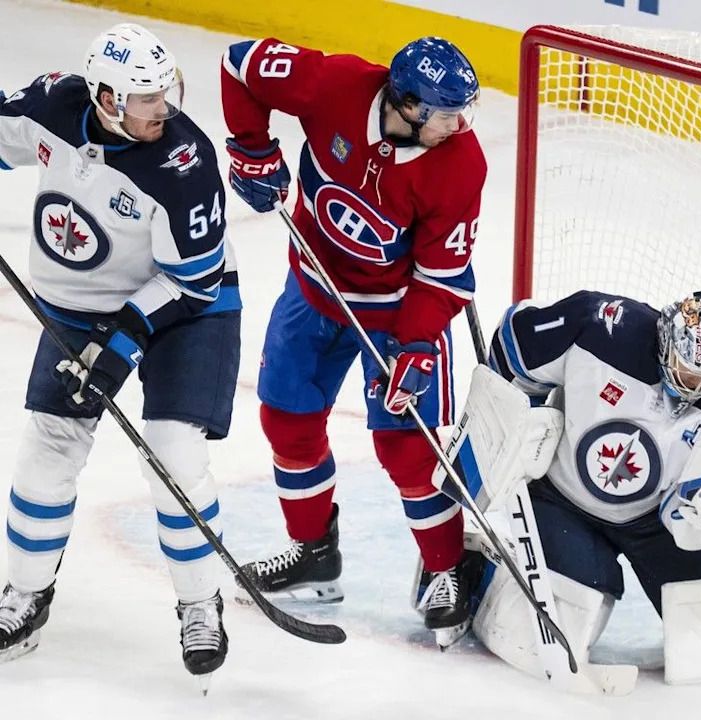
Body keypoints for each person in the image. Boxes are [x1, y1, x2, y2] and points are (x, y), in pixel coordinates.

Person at [220, 36, 486, 641]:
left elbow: (441, 277)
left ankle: (447, 569)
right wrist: (251, 149)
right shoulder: (334, 85)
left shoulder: (461, 164)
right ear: (408, 104)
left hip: (396, 317)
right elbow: (240, 64)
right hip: (312, 291)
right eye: (446, 112)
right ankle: (313, 550)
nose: (459, 124)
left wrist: (417, 347)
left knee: (408, 450)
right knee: (286, 420)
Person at [0, 23, 240, 681]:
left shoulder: (181, 164)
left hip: (190, 308)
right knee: (49, 443)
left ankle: (200, 603)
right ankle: (25, 595)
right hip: (78, 308)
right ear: (105, 98)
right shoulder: (54, 106)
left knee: (173, 450)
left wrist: (124, 343)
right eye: (142, 97)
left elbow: (194, 281)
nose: (160, 107)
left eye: (163, 92)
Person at [467, 289, 701, 680]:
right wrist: (517, 415)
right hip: (563, 501)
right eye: (686, 368)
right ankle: (472, 568)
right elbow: (512, 346)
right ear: (667, 337)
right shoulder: (598, 325)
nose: (692, 384)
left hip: (655, 525)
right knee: (538, 638)